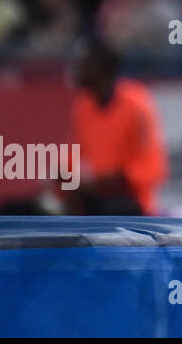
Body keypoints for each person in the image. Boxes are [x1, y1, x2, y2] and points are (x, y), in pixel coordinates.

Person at [69, 36, 169, 215]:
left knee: (95, 211)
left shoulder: (136, 103)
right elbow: (79, 155)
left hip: (131, 200)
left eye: (83, 63)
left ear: (101, 68)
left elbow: (153, 167)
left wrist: (112, 180)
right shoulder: (83, 105)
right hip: (93, 195)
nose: (76, 69)